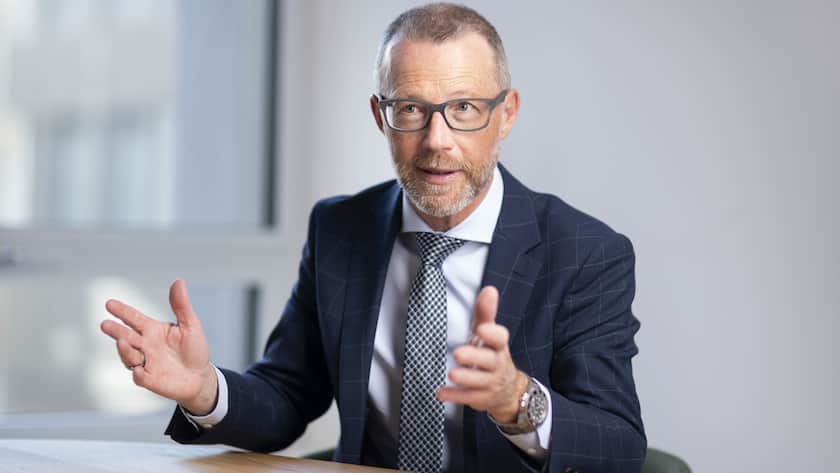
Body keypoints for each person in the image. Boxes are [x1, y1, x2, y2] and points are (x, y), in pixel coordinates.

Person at [100, 3, 645, 473]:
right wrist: (203, 389)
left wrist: (515, 400)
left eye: (463, 110)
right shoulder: (340, 230)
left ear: (506, 116)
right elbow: (289, 396)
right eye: (410, 109)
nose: (437, 141)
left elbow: (619, 447)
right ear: (380, 117)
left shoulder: (584, 253)